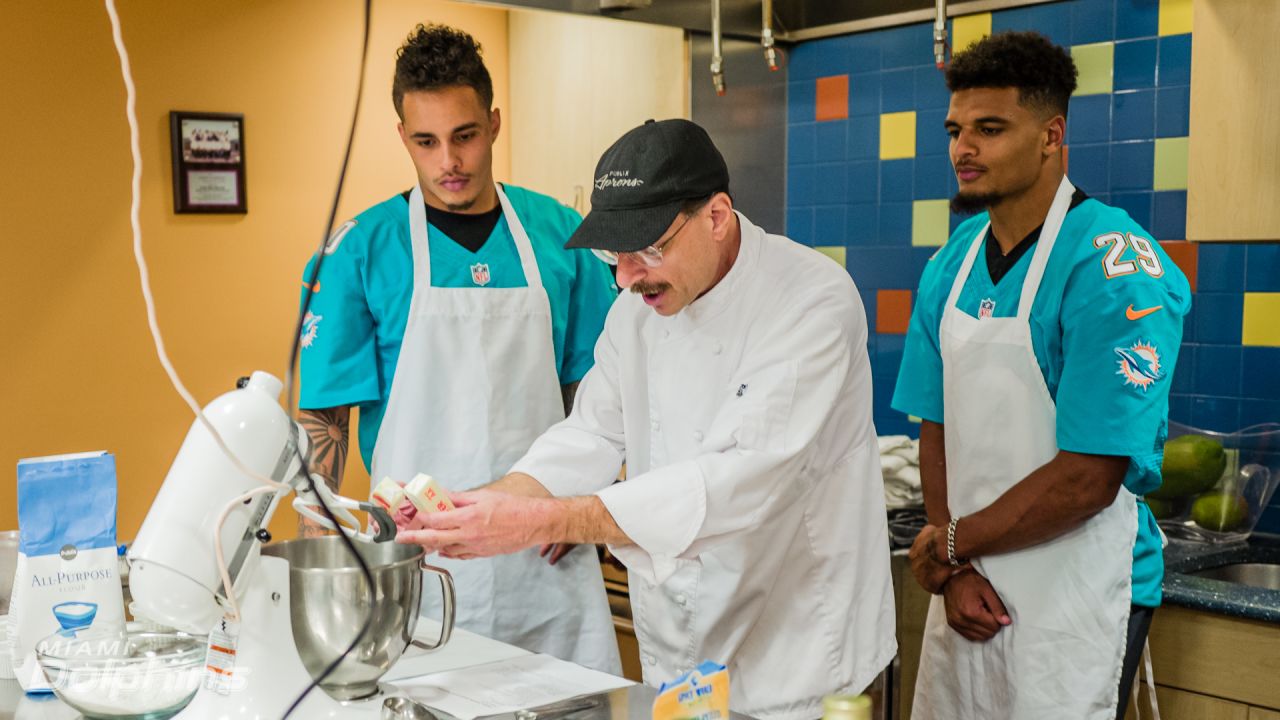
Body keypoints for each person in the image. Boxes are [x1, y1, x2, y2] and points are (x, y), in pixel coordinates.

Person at [395, 118, 897, 720]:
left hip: (797, 653)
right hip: (680, 654)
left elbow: (737, 480)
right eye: (614, 254)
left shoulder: (812, 300)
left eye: (648, 249)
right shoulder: (636, 310)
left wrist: (540, 521)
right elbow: (590, 433)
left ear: (716, 216)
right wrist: (482, 505)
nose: (627, 276)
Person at [297, 24, 621, 674]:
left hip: (543, 557)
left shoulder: (561, 235)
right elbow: (324, 417)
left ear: (494, 123)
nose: (449, 159)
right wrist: (322, 555)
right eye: (426, 141)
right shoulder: (361, 248)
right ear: (402, 138)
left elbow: (598, 393)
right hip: (418, 560)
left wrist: (575, 505)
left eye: (465, 135)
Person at [892, 31, 1190, 719]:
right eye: (956, 130)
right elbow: (935, 424)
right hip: (969, 576)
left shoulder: (1113, 268)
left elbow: (1088, 478)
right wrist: (954, 570)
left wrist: (948, 545)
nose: (963, 150)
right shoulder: (953, 262)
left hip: (1075, 589)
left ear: (1052, 134)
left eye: (990, 130)